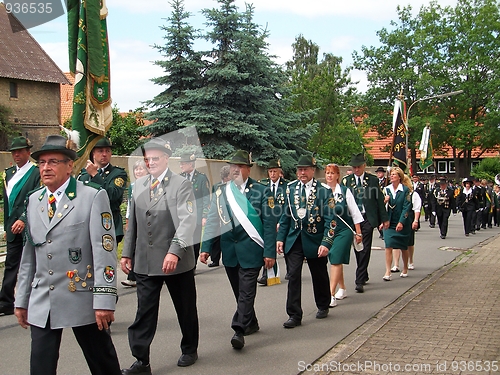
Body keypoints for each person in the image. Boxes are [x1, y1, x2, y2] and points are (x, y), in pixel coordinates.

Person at [14, 135, 121, 375]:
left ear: (69, 165)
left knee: (102, 362)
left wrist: (104, 300)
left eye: (53, 161)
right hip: (43, 298)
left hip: (81, 295)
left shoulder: (92, 196)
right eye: (41, 163)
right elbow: (29, 255)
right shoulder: (34, 201)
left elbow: (104, 252)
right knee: (40, 366)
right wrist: (22, 299)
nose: (46, 168)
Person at [121, 138, 199, 373]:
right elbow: (133, 223)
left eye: (155, 158)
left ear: (166, 159)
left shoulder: (181, 185)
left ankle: (189, 348)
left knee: (185, 308)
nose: (151, 162)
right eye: (147, 159)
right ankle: (141, 360)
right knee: (144, 311)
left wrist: (174, 251)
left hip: (176, 261)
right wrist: (127, 253)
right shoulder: (139, 185)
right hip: (146, 260)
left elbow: (188, 221)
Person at [200, 150, 276, 349]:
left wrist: (269, 252)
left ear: (248, 169)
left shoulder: (261, 191)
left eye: (240, 166)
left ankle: (239, 329)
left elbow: (269, 223)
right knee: (239, 292)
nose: (236, 170)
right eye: (234, 166)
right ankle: (251, 322)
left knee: (247, 291)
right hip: (230, 252)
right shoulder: (221, 191)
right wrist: (206, 247)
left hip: (252, 249)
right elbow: (213, 220)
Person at [276, 155, 334, 328]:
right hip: (294, 239)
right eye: (299, 170)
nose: (302, 172)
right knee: (293, 275)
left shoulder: (324, 191)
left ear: (313, 170)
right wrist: (280, 239)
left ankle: (323, 304)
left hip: (315, 239)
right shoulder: (290, 189)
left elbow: (331, 219)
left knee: (319, 274)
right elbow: (285, 216)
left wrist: (326, 242)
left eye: (305, 169)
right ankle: (294, 314)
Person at [0, 137, 41, 316]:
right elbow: (8, 203)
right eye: (14, 152)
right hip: (12, 227)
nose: (17, 154)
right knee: (11, 264)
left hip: (29, 225)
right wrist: (6, 226)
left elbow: (36, 197)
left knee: (32, 263)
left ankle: (32, 298)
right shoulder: (8, 174)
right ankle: (6, 301)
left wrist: (24, 218)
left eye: (20, 151)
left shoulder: (36, 172)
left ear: (28, 152)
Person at [342, 153, 389, 293]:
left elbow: (379, 200)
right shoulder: (346, 181)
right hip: (353, 219)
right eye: (354, 167)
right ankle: (364, 272)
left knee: (365, 247)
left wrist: (384, 218)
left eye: (358, 167)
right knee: (358, 247)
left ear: (364, 166)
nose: (356, 169)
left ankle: (359, 279)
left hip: (367, 217)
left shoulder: (373, 180)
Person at [324, 164, 363, 307]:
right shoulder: (322, 191)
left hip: (344, 230)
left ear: (337, 175)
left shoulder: (345, 191)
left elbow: (355, 213)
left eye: (332, 173)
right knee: (335, 259)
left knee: (335, 256)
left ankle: (330, 294)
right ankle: (343, 287)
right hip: (328, 231)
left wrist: (358, 232)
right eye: (327, 173)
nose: (329, 176)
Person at [78, 137, 127, 243]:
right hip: (87, 225)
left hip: (108, 224)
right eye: (100, 151)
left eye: (107, 151)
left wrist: (95, 175)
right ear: (93, 153)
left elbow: (112, 195)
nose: (104, 154)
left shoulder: (118, 173)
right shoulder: (83, 175)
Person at [257, 159, 287, 285]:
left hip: (282, 221)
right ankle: (267, 274)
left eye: (275, 171)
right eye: (270, 171)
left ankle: (291, 270)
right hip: (268, 222)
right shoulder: (263, 185)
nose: (272, 174)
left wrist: (280, 222)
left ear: (280, 172)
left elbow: (287, 206)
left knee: (285, 248)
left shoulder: (286, 186)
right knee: (268, 246)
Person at [179, 152, 211, 263]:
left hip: (196, 216)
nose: (181, 166)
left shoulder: (201, 178)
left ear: (190, 164)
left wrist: (204, 216)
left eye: (183, 164)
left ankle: (193, 264)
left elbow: (206, 198)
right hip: (182, 216)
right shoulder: (180, 177)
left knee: (195, 241)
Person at [382, 167, 412, 280]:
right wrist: (384, 201)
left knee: (403, 247)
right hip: (389, 222)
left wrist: (401, 222)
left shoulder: (405, 190)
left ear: (399, 177)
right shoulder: (386, 190)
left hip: (401, 222)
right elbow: (380, 206)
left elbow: (407, 207)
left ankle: (405, 267)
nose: (391, 176)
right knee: (388, 245)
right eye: (391, 175)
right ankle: (388, 271)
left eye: (394, 174)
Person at [122, 159, 148, 287]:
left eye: (141, 169)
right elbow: (129, 205)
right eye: (136, 169)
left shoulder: (150, 184)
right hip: (135, 220)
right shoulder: (133, 186)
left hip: (146, 221)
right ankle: (132, 276)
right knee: (133, 246)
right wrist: (128, 220)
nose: (138, 171)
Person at [391, 174, 421, 272]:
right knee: (395, 242)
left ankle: (410, 261)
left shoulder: (412, 194)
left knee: (408, 243)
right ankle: (396, 264)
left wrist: (415, 220)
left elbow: (417, 208)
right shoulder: (394, 192)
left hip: (408, 219)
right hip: (396, 219)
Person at [205, 165, 231, 267]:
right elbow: (214, 200)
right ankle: (215, 259)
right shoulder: (216, 186)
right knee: (216, 239)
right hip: (218, 216)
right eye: (225, 178)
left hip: (228, 217)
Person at [375, 166, 386, 239]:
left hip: (384, 200)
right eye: (378, 173)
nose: (379, 174)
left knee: (383, 217)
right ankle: (381, 232)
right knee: (377, 218)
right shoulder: (375, 181)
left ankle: (384, 233)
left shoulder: (386, 181)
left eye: (380, 172)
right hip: (376, 201)